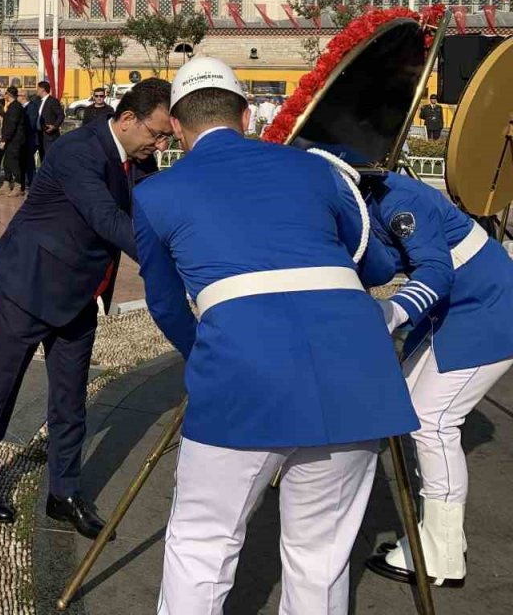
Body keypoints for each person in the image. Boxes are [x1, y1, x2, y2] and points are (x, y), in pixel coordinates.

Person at [133, 58, 417, 615]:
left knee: (203, 545)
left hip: (241, 374)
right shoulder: (315, 170)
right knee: (322, 556)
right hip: (355, 369)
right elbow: (380, 268)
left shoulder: (156, 194)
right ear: (246, 114)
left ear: (178, 127)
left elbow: (166, 303)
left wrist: (206, 355)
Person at [0, 77, 173, 536]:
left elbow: (159, 207)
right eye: (156, 133)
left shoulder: (140, 159)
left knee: (70, 395)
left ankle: (64, 491)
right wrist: (169, 261)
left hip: (80, 291)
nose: (159, 144)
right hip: (30, 282)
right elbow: (107, 218)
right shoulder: (79, 150)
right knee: (2, 382)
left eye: (166, 138)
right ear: (128, 118)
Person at [360, 170, 513, 588]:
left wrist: (391, 313)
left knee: (434, 422)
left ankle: (443, 553)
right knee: (409, 401)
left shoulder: (397, 200)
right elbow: (381, 263)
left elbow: (434, 271)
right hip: (459, 307)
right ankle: (442, 536)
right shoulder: (368, 193)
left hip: (486, 309)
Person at [0, 86, 27, 195]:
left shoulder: (16, 107)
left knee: (13, 162)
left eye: (5, 94)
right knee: (7, 162)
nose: (4, 96)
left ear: (8, 95)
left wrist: (4, 139)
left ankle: (18, 186)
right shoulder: (12, 107)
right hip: (11, 139)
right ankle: (6, 184)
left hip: (15, 140)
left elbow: (12, 125)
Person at [34, 80, 65, 163]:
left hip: (49, 135)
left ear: (42, 89)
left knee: (50, 158)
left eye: (38, 88)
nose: (36, 90)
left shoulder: (52, 101)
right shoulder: (37, 101)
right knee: (42, 158)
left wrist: (54, 126)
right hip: (39, 135)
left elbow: (61, 115)